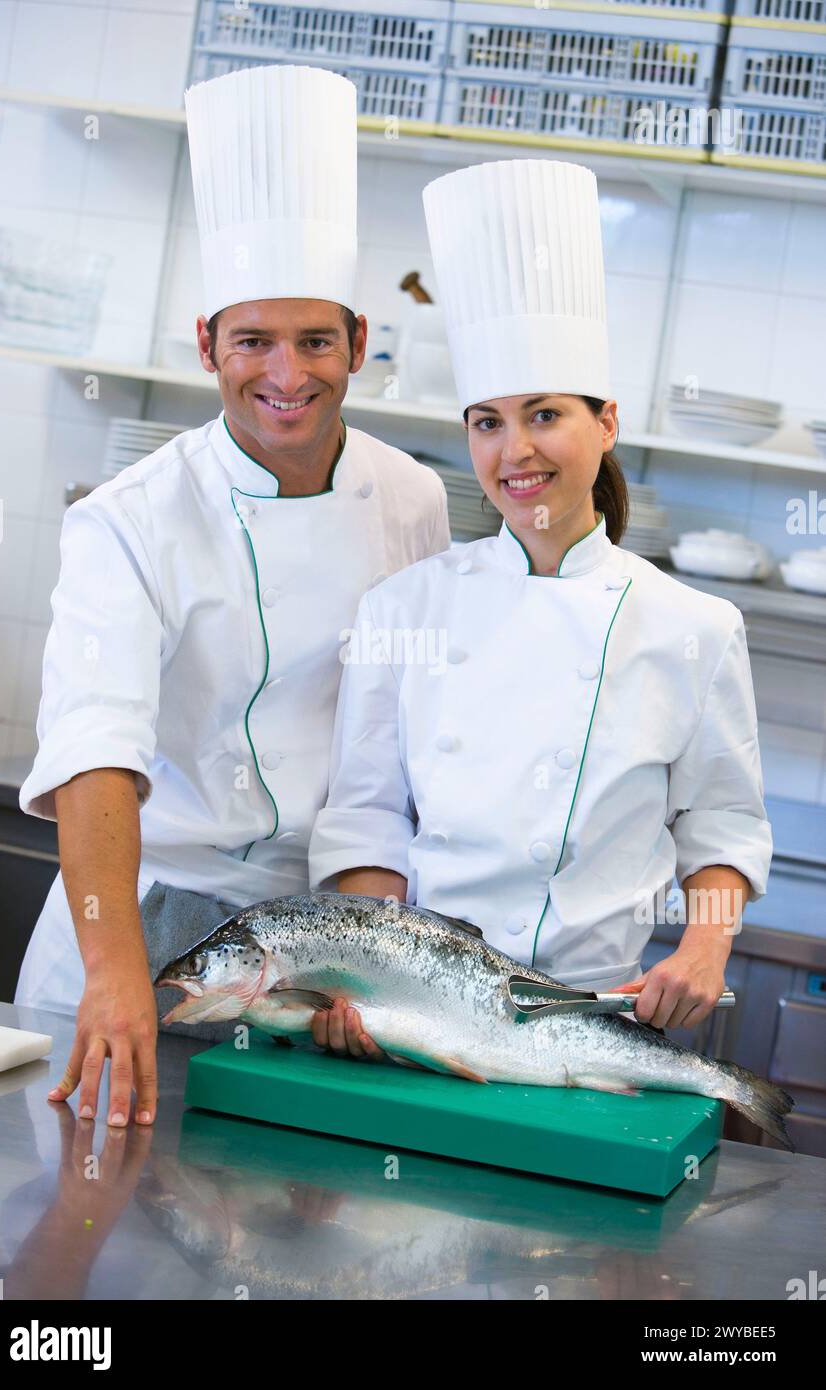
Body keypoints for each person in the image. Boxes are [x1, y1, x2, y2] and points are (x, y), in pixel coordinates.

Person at [15, 65, 450, 1126]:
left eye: (314, 340)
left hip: (323, 942)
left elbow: (405, 739)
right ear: (208, 343)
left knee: (282, 1232)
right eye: (252, 340)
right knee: (87, 1216)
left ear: (356, 341)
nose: (285, 374)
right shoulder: (131, 515)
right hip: (138, 914)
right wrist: (117, 963)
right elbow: (94, 748)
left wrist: (372, 944)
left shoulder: (411, 497)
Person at [308, 158, 772, 1062]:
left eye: (545, 414)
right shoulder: (405, 606)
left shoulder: (694, 628)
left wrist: (707, 942)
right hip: (413, 1019)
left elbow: (721, 827)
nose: (515, 451)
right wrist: (360, 977)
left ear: (605, 423)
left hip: (592, 1027)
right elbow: (369, 816)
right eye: (487, 422)